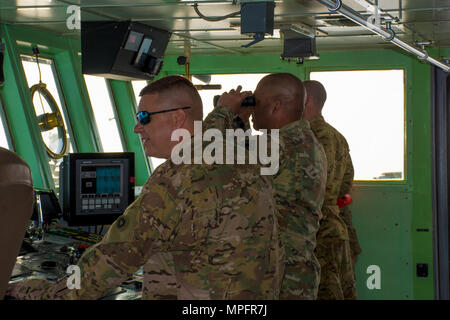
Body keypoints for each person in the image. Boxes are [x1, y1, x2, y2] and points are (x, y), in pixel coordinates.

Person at [6, 75, 282, 300]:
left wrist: (36, 292)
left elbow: (111, 262)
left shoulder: (177, 177)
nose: (137, 128)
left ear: (176, 119)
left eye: (145, 117)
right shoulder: (242, 156)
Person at [203, 73, 327, 300]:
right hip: (294, 273)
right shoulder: (303, 141)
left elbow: (203, 159)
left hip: (276, 278)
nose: (253, 112)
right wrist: (239, 121)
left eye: (256, 104)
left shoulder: (277, 146)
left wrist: (223, 111)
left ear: (276, 106)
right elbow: (242, 154)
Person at [302, 80, 359, 300]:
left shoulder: (306, 140)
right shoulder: (338, 137)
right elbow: (345, 190)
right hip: (336, 231)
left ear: (305, 101)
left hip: (316, 236)